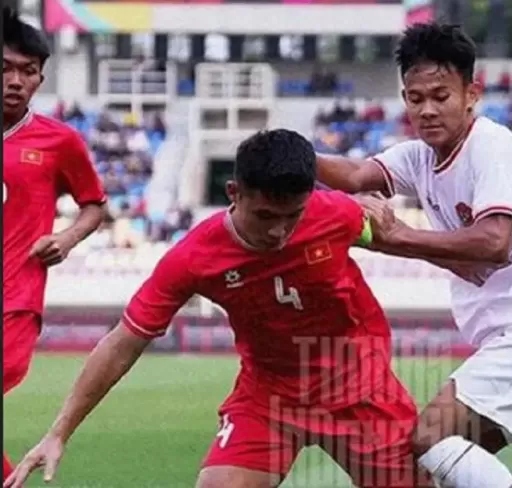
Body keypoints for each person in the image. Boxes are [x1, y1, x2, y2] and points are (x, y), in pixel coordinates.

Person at [5, 130, 432, 488]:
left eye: (293, 215)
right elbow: (123, 342)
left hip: (360, 388)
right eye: (266, 215)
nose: (280, 230)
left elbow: (404, 240)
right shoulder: (193, 257)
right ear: (234, 192)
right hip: (269, 397)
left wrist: (484, 262)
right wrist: (59, 432)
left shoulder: (336, 213)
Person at [316, 23, 512, 488]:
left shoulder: (488, 144)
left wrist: (400, 236)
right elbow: (354, 175)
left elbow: (493, 241)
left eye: (440, 95)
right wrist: (291, 156)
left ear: (472, 93)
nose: (426, 110)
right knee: (436, 470)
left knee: (429, 436)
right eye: (414, 98)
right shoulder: (419, 157)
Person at [2, 7, 107, 482]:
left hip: (14, 301)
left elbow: (94, 205)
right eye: (4, 68)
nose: (15, 81)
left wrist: (66, 238)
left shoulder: (58, 142)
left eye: (27, 71)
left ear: (41, 80)